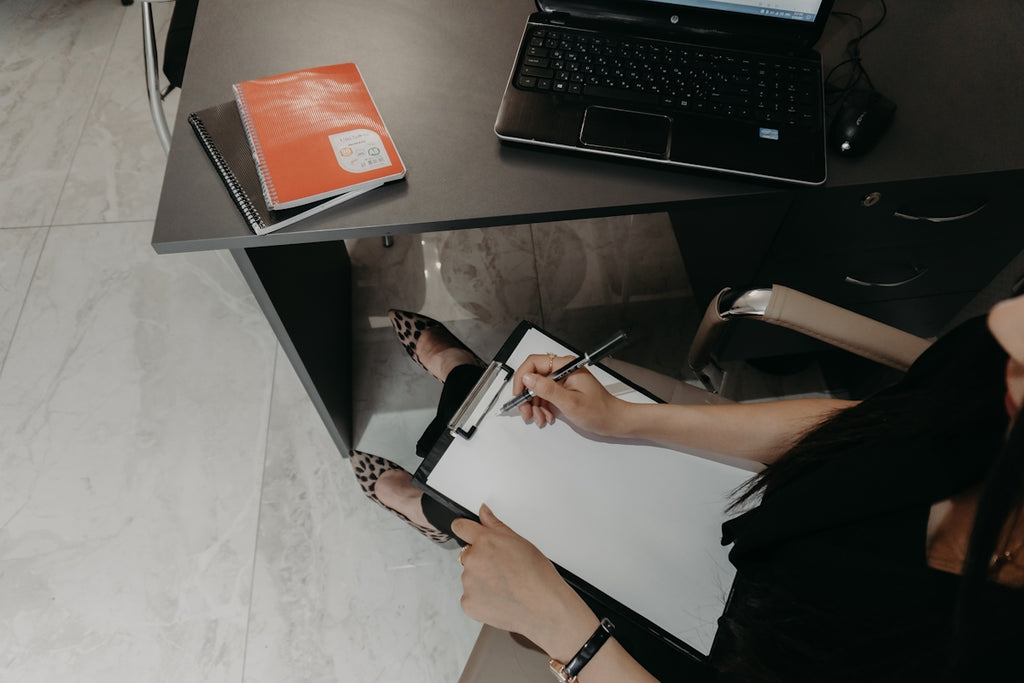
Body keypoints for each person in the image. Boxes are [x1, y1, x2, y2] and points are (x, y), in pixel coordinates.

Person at [357, 298, 1024, 681]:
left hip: (707, 664)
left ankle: (431, 489)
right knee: (519, 449)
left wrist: (565, 630)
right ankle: (458, 396)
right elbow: (868, 431)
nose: (1007, 333)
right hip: (749, 533)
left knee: (481, 507)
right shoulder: (999, 360)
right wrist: (625, 419)